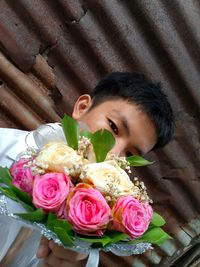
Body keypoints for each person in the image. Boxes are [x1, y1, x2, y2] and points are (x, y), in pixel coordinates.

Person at [0, 72, 175, 267]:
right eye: (113, 127)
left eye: (130, 153)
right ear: (82, 107)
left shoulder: (93, 229)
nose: (114, 153)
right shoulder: (4, 145)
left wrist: (77, 258)